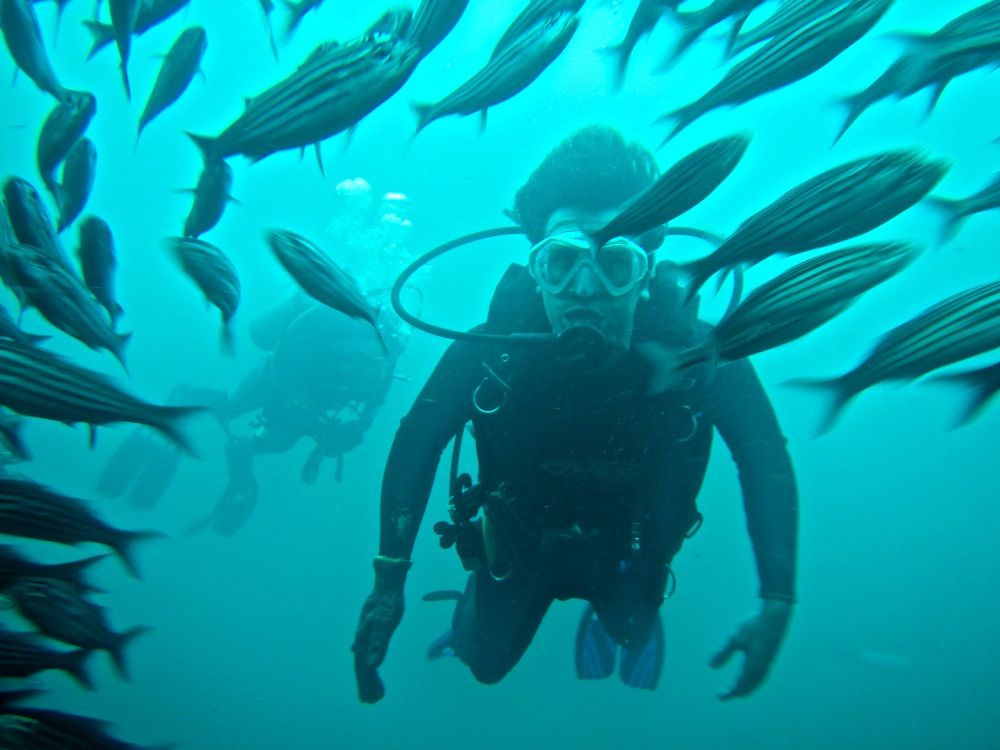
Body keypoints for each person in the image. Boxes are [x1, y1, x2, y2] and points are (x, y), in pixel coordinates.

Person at [351, 125, 797, 702]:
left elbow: (765, 459)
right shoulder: (492, 351)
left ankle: (603, 618)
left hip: (631, 555)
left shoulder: (702, 357)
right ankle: (471, 617)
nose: (584, 289)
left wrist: (777, 599)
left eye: (615, 263)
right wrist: (388, 584)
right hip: (515, 554)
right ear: (536, 273)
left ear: (646, 274)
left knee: (631, 632)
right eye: (560, 262)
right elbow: (417, 442)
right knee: (485, 664)